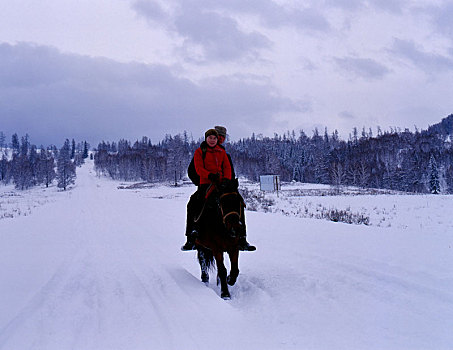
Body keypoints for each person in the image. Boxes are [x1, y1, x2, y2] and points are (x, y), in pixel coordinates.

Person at [181, 129, 232, 251]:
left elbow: (227, 167)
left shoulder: (222, 152)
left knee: (236, 202)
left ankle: (241, 235)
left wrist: (226, 179)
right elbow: (198, 168)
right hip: (206, 184)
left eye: (215, 138)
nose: (213, 140)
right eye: (211, 138)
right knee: (193, 204)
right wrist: (208, 175)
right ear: (206, 138)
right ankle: (191, 235)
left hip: (221, 184)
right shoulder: (199, 152)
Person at [214, 126, 255, 251]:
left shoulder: (226, 154)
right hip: (209, 184)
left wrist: (230, 183)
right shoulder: (203, 151)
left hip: (226, 186)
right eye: (218, 136)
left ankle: (242, 238)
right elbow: (193, 170)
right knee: (194, 203)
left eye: (222, 137)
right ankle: (192, 235)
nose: (221, 139)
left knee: (239, 203)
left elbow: (230, 171)